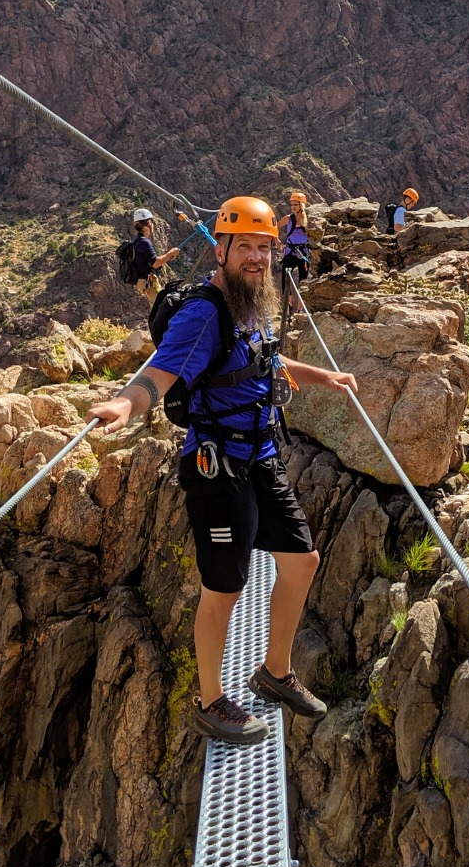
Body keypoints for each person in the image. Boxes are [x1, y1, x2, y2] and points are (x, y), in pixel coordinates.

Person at [86, 196, 357, 744]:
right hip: (217, 468)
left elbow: (265, 359)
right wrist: (124, 404)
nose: (258, 257)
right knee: (225, 586)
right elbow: (157, 376)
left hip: (259, 455)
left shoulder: (250, 303)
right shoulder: (204, 312)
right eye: (247, 248)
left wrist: (323, 377)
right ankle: (211, 701)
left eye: (265, 247)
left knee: (302, 560)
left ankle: (273, 672)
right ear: (223, 249)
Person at [132, 207, 180, 307]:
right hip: (148, 282)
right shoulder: (144, 242)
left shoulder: (137, 241)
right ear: (148, 225)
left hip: (144, 281)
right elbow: (155, 262)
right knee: (160, 307)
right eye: (151, 222)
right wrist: (170, 253)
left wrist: (168, 256)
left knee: (157, 306)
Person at [276, 192, 310, 317]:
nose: (293, 207)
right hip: (290, 251)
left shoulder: (307, 219)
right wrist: (277, 241)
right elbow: (276, 227)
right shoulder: (288, 218)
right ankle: (290, 309)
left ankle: (301, 310)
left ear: (301, 205)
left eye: (296, 204)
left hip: (303, 252)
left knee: (304, 281)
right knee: (286, 280)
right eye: (292, 204)